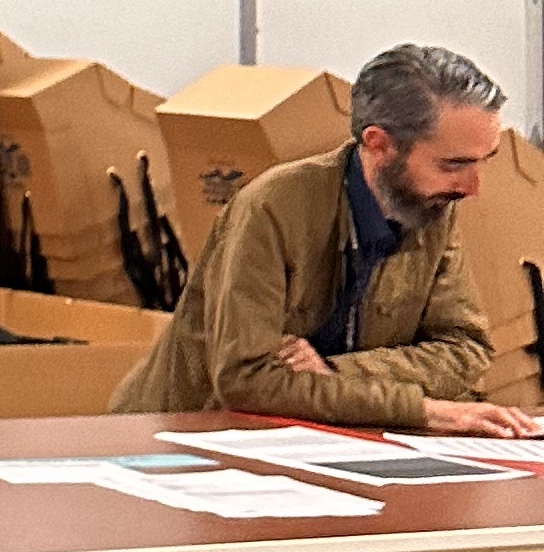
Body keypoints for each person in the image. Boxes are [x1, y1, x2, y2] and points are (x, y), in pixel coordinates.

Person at [112, 42, 543, 431]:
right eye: (452, 165)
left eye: (483, 162)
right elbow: (246, 382)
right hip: (181, 437)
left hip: (329, 439)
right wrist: (424, 409)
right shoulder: (271, 207)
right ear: (378, 144)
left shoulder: (429, 208)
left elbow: (464, 348)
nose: (472, 188)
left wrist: (339, 372)